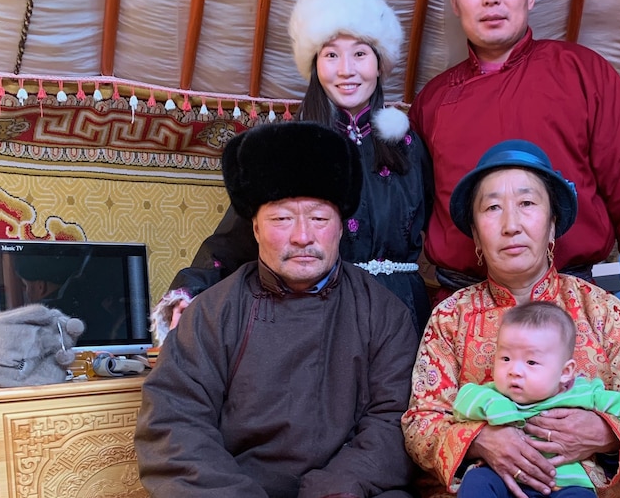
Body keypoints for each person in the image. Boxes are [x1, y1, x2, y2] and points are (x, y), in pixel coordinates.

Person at [407, 0, 620, 358]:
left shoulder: (582, 74)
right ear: (455, 2)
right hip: (463, 317)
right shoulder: (432, 102)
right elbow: (411, 216)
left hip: (575, 309)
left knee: (575, 425)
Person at [135, 122, 418, 498]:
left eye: (319, 218)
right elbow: (174, 425)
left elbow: (392, 420)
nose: (303, 236)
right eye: (282, 218)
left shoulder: (383, 312)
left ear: (340, 227)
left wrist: (336, 488)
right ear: (254, 227)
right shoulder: (213, 313)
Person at [151, 0, 432, 343]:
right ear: (315, 65)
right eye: (331, 54)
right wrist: (189, 291)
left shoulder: (409, 144)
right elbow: (232, 244)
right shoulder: (288, 144)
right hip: (311, 314)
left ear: (380, 65)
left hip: (401, 317)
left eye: (360, 54)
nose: (346, 70)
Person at [401, 139, 620, 498]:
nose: (511, 225)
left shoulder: (602, 311)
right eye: (492, 208)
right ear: (475, 233)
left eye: (527, 204)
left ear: (552, 226)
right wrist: (479, 440)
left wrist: (605, 434)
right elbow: (419, 425)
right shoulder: (450, 318)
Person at [452, 302, 620, 498]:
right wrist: (500, 411)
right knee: (476, 481)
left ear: (565, 372)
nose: (514, 370)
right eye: (505, 358)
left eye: (531, 362)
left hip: (564, 485)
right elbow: (464, 399)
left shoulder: (583, 394)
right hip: (505, 481)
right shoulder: (496, 393)